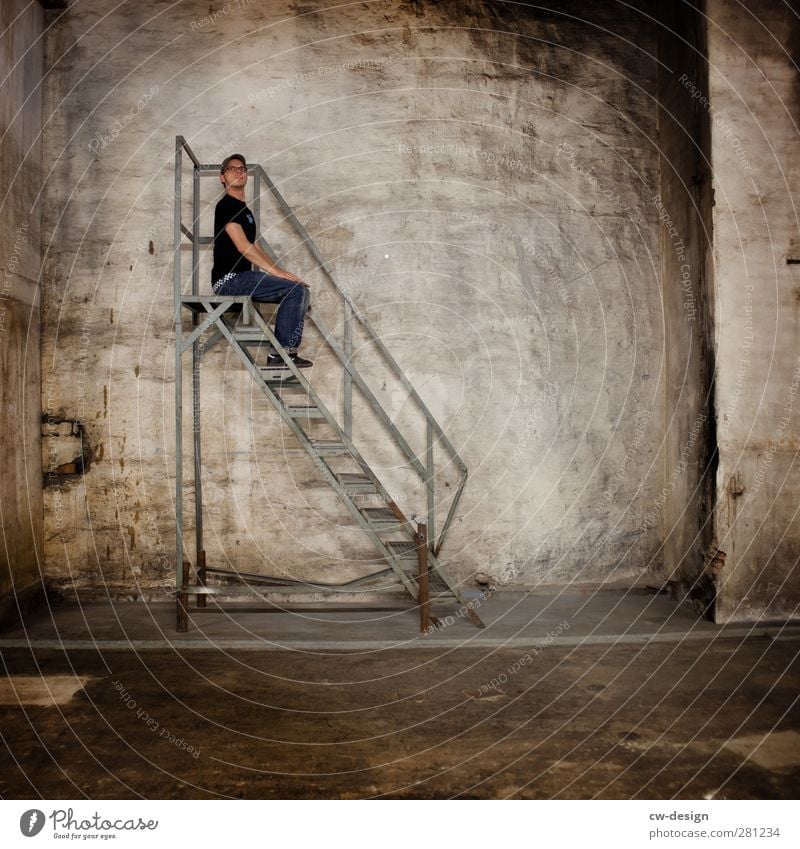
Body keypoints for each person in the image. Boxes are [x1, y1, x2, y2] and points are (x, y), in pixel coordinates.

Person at [212, 153, 312, 367]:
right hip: (228, 280)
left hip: (243, 277)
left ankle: (285, 351)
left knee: (301, 292)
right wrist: (278, 273)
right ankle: (280, 354)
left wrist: (280, 273)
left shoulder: (245, 211)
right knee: (295, 291)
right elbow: (243, 247)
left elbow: (254, 247)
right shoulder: (225, 206)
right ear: (222, 177)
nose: (239, 171)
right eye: (232, 169)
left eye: (242, 168)